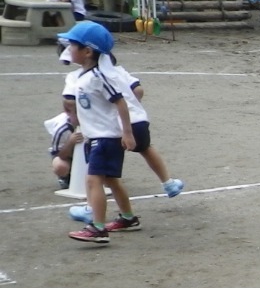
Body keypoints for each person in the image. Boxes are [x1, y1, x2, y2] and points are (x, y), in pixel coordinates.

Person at [62, 44, 185, 219]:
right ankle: (168, 183)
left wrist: (75, 117)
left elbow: (69, 100)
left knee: (97, 173)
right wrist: (133, 106)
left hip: (108, 128)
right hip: (137, 120)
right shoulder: (118, 71)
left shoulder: (80, 76)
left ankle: (92, 210)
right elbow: (138, 90)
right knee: (146, 148)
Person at [58, 22, 136, 244]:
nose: (68, 49)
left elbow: (121, 102)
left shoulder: (99, 77)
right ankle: (128, 217)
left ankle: (98, 228)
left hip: (105, 138)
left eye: (72, 45)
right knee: (111, 180)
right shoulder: (84, 76)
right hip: (96, 137)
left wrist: (127, 133)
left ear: (88, 52)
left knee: (93, 180)